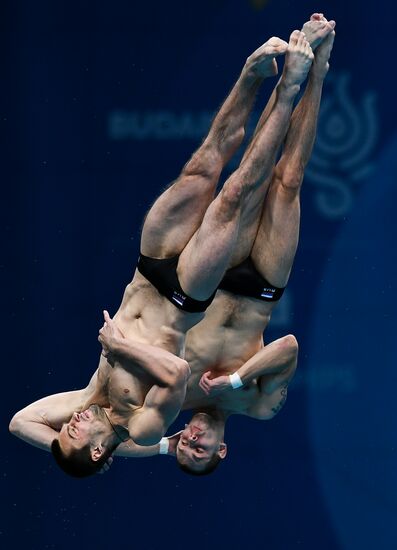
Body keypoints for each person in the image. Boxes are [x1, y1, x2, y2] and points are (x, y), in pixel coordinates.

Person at [9, 29, 314, 477]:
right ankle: (288, 90)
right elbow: (175, 373)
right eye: (73, 434)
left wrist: (66, 447)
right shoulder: (143, 426)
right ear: (97, 451)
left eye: (64, 430)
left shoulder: (87, 399)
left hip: (147, 271)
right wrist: (118, 347)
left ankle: (251, 76)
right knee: (232, 197)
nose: (69, 423)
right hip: (182, 295)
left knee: (202, 165)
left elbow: (20, 423)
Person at [103, 14, 336, 476]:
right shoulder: (259, 408)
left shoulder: (175, 395)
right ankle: (319, 70)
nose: (194, 440)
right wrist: (235, 378)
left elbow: (114, 441)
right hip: (264, 287)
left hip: (219, 276)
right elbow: (287, 347)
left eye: (186, 448)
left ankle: (290, 74)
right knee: (288, 181)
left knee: (246, 181)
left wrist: (162, 448)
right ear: (221, 451)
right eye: (201, 451)